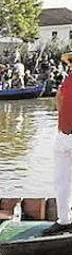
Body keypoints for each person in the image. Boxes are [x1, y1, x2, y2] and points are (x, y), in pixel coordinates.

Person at [53, 53, 72, 234]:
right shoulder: (67, 80)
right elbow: (59, 101)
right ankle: (64, 220)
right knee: (61, 180)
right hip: (63, 135)